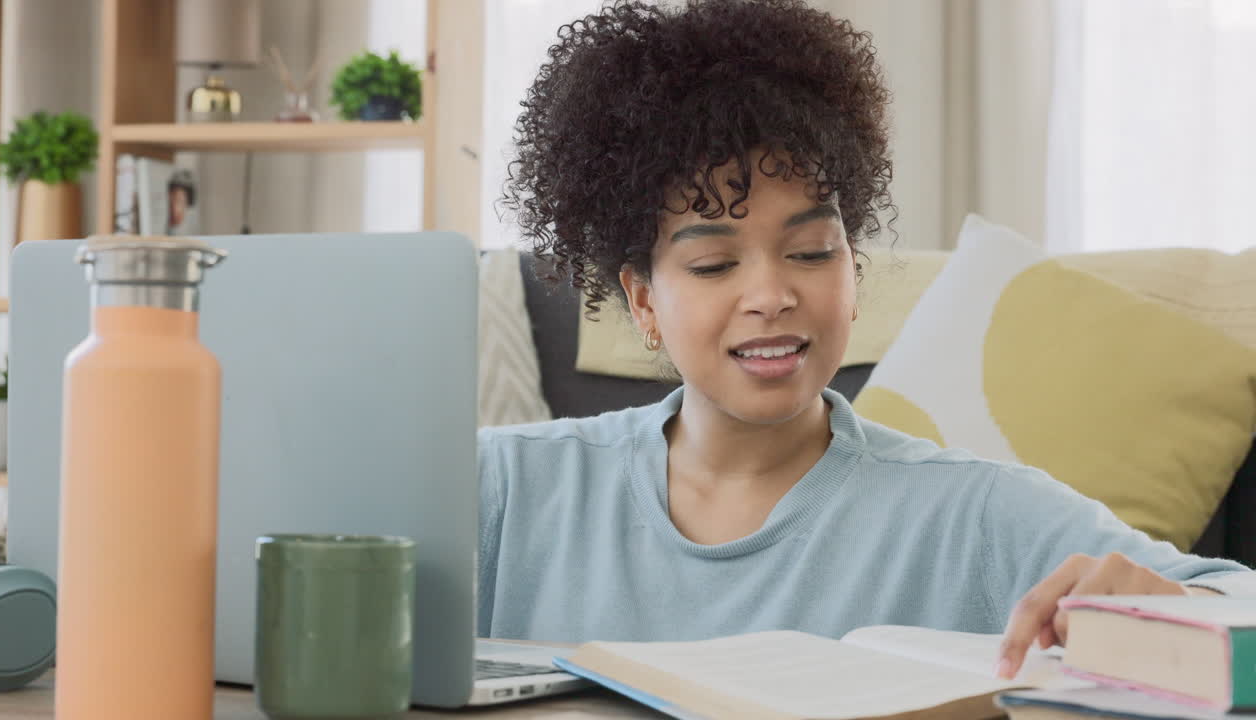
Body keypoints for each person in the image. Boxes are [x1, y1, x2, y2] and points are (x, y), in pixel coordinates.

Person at [477, 0, 1255, 681]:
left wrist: (1174, 607)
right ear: (643, 301)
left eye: (812, 252)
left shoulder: (972, 515)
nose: (774, 296)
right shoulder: (503, 491)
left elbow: (1240, 611)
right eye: (715, 263)